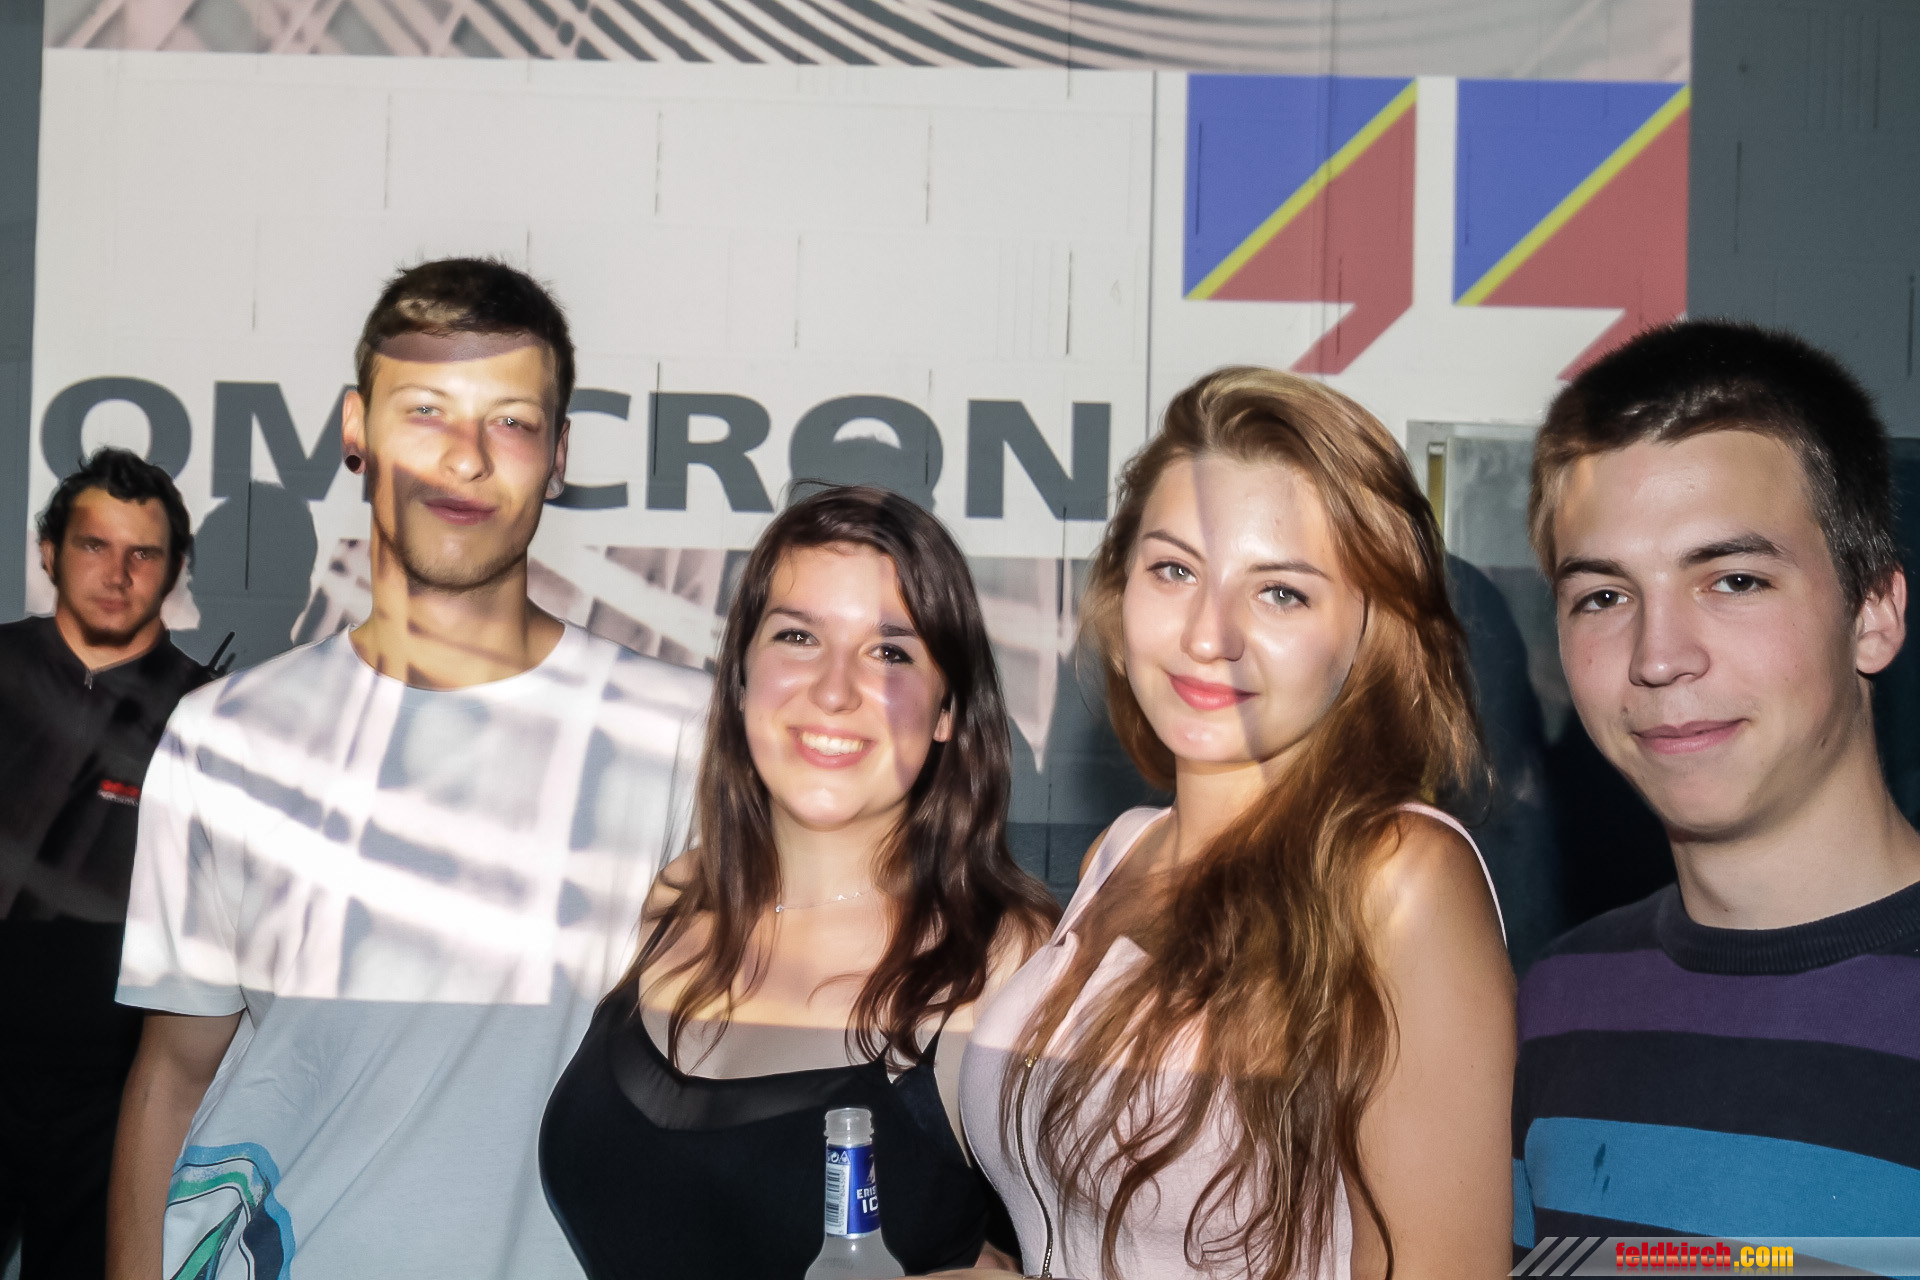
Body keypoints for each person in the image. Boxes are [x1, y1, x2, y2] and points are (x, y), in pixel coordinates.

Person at [105, 258, 710, 1280]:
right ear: (358, 429)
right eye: (426, 410)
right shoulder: (225, 739)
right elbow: (172, 1075)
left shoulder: (684, 735)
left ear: (558, 455)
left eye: (510, 420)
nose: (466, 457)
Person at [955, 367, 1515, 1280]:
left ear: (1370, 632)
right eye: (1174, 570)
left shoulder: (1399, 877)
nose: (1208, 634)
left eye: (1281, 591)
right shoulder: (1118, 854)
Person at [541, 484, 1059, 1279]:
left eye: (890, 652)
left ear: (948, 708)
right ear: (741, 676)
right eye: (797, 636)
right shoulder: (681, 898)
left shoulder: (1003, 964)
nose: (834, 689)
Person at [1512, 320, 1920, 1249]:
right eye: (1603, 597)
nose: (1658, 657)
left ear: (1873, 613)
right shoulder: (1553, 1006)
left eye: (1733, 581)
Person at [0, 449, 212, 1280]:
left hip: (118, 1095)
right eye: (94, 545)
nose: (117, 575)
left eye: (142, 553)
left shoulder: (212, 717)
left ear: (174, 568)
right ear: (49, 551)